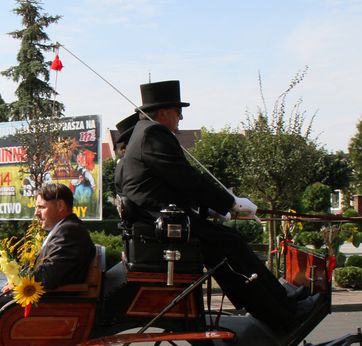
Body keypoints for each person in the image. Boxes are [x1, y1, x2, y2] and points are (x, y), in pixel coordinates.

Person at [120, 80, 318, 330]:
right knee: (231, 244)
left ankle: (279, 299)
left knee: (226, 243)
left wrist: (214, 208)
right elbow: (188, 179)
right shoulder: (153, 133)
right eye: (177, 111)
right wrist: (229, 203)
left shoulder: (141, 133)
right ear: (163, 112)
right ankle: (279, 313)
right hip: (165, 222)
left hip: (160, 219)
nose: (180, 117)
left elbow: (174, 183)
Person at [0, 183, 95, 346]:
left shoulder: (69, 231)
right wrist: (16, 280)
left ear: (60, 206)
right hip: (44, 300)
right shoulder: (66, 229)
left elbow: (48, 275)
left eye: (42, 207)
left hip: (47, 305)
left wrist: (18, 283)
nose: (36, 213)